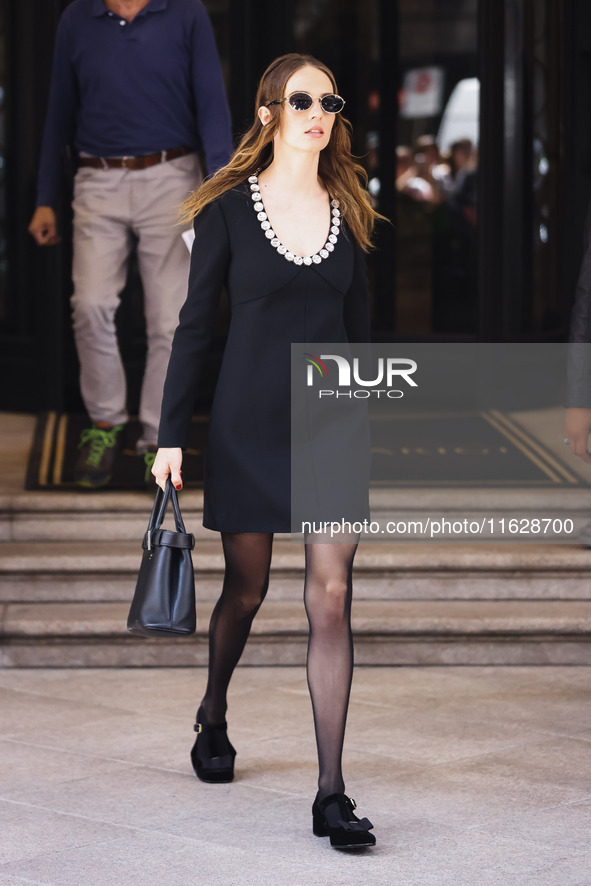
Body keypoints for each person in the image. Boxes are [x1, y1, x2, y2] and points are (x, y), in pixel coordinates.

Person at [152, 52, 383, 850]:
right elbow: (192, 330)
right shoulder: (224, 210)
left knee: (330, 597)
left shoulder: (350, 205)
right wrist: (171, 435)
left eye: (329, 99)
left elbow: (359, 336)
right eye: (301, 99)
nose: (319, 112)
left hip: (330, 425)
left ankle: (330, 793)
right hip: (248, 423)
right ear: (268, 113)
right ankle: (213, 710)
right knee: (245, 591)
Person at [28, 0, 233, 488]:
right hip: (96, 179)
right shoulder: (78, 18)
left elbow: (212, 104)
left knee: (170, 318)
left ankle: (157, 438)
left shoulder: (186, 13)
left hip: (172, 176)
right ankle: (104, 424)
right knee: (91, 305)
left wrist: (224, 190)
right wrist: (45, 198)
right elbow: (59, 109)